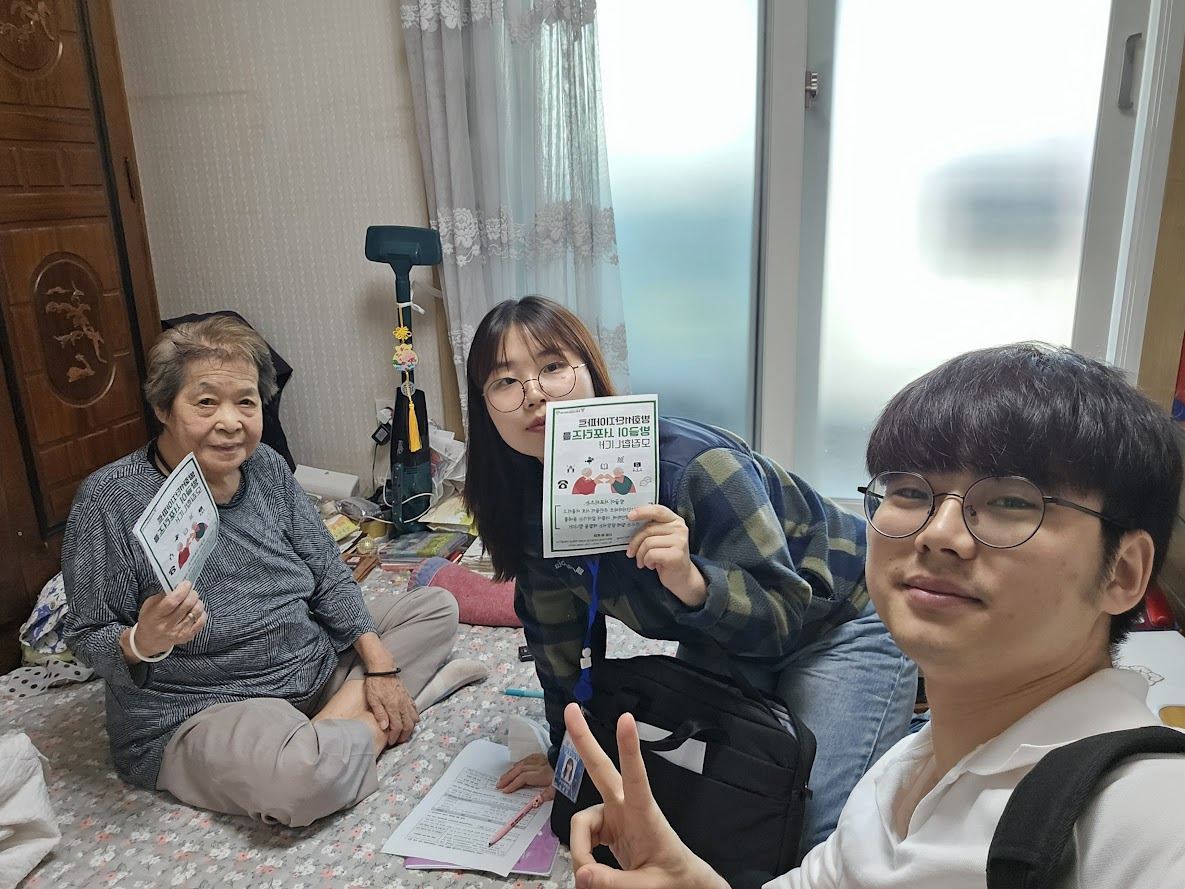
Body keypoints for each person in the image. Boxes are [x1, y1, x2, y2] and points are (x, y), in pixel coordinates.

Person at [562, 342, 1185, 889]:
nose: (939, 533)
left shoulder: (1145, 821)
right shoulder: (899, 775)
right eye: (911, 491)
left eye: (1012, 502)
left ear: (1123, 573)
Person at [463, 296, 917, 851]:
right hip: (721, 634)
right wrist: (568, 751)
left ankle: (906, 713)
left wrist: (692, 580)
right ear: (485, 409)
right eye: (505, 382)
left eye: (553, 367)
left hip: (839, 617)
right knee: (697, 808)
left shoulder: (695, 467)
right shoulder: (533, 513)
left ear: (592, 374)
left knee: (808, 836)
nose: (534, 394)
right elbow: (557, 644)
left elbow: (780, 616)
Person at [62, 316, 486, 827]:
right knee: (301, 784)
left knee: (436, 607)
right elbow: (86, 634)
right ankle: (371, 725)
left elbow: (327, 571)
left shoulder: (266, 466)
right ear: (162, 408)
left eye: (246, 402)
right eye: (205, 402)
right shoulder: (108, 498)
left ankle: (330, 731)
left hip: (310, 665)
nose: (231, 422)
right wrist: (142, 640)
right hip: (204, 703)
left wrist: (380, 667)